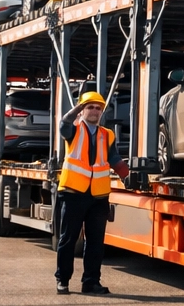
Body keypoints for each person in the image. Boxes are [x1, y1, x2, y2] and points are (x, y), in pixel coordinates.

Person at [54, 91, 129, 295]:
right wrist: (75, 110)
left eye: (98, 108)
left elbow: (113, 158)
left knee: (96, 242)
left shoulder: (107, 134)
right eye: (90, 107)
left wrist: (126, 175)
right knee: (68, 239)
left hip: (98, 196)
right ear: (82, 110)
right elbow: (63, 124)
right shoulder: (73, 130)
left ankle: (91, 282)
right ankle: (63, 280)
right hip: (73, 193)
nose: (94, 111)